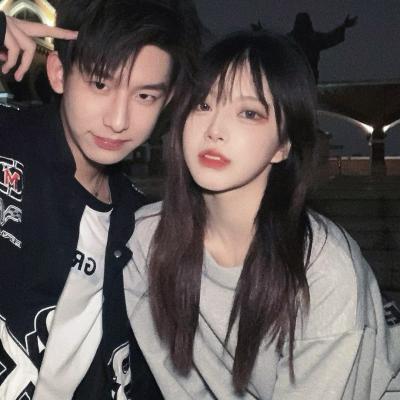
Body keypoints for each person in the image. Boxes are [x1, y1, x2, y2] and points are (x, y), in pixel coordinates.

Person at [124, 30, 400, 399]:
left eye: (249, 113)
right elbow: (177, 381)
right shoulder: (144, 240)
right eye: (203, 105)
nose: (214, 130)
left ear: (283, 145)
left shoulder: (324, 270)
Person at [0, 0, 200, 398]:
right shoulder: (8, 141)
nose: (118, 120)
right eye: (100, 85)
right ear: (59, 73)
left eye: (145, 96)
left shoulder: (143, 224)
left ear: (167, 99)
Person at [288, 12, 357, 81]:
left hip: (308, 77)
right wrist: (343, 26)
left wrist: (343, 26)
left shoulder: (312, 39)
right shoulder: (291, 40)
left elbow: (329, 37)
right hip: (294, 77)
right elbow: (329, 37)